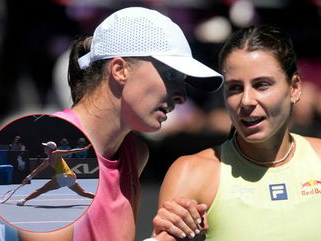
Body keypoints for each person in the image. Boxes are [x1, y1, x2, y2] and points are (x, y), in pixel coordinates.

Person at [18, 7, 223, 241]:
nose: (181, 96)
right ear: (120, 70)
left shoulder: (135, 153)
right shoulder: (39, 146)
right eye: (171, 75)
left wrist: (175, 231)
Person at [153, 24, 321, 241]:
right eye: (235, 88)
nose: (246, 101)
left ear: (295, 88)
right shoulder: (190, 174)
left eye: (262, 85)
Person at [16, 141, 94, 206]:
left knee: (41, 190)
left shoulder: (55, 153)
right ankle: (101, 199)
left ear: (50, 148)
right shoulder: (48, 160)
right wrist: (27, 178)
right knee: (83, 193)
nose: (44, 147)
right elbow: (38, 170)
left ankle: (23, 200)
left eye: (46, 146)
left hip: (62, 177)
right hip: (71, 177)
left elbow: (69, 151)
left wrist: (83, 149)